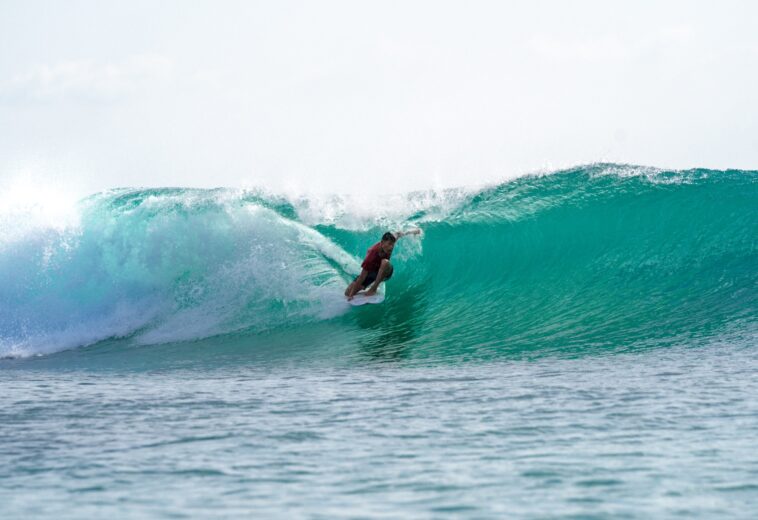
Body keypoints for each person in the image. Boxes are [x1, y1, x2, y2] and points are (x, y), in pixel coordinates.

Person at [345, 229, 421, 300]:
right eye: (389, 244)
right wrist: (351, 295)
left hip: (386, 272)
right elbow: (362, 277)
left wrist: (413, 232)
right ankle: (371, 282)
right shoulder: (372, 254)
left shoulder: (390, 240)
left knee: (385, 262)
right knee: (347, 293)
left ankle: (373, 289)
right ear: (382, 243)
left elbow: (399, 234)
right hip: (373, 273)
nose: (391, 247)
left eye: (392, 244)